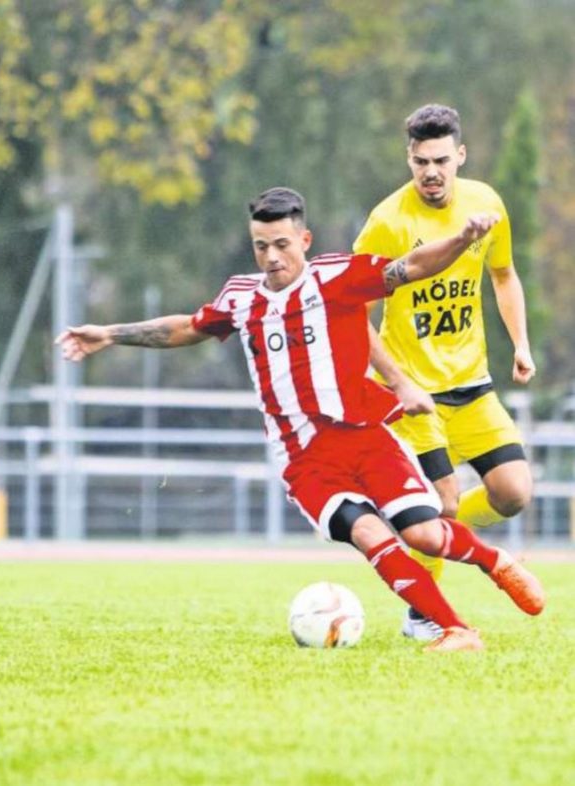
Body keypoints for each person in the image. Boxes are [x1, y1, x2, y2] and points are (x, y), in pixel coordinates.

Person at [57, 187, 544, 653]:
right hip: (304, 458)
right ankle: (457, 630)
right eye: (261, 246)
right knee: (369, 534)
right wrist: (110, 333)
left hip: (367, 437)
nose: (271, 257)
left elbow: (410, 267)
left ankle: (495, 562)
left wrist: (461, 239)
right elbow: (186, 327)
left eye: (281, 244)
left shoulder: (336, 278)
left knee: (425, 535)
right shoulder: (240, 298)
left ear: (304, 240)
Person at [355, 104, 536, 640]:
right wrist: (388, 377)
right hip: (414, 393)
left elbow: (504, 275)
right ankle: (422, 615)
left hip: (472, 384)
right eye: (420, 162)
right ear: (408, 159)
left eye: (440, 160)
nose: (430, 172)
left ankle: (427, 528)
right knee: (443, 500)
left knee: (514, 493)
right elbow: (352, 307)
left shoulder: (487, 204)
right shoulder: (388, 221)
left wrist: (520, 344)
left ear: (460, 155)